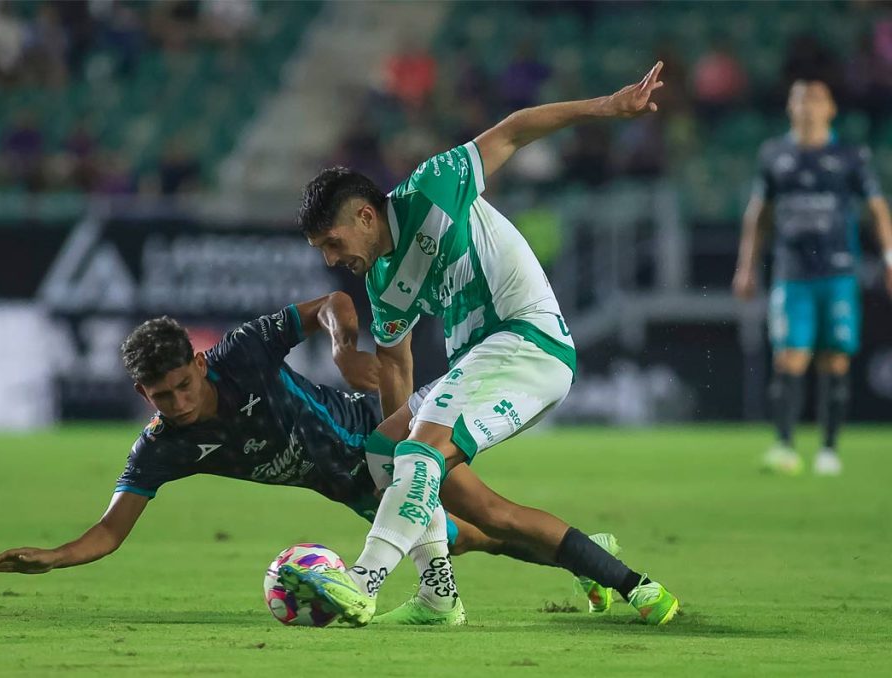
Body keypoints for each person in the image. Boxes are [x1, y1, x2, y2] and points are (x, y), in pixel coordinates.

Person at [284, 63, 679, 627]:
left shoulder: (433, 185)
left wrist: (608, 107)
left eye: (332, 241)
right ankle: (616, 582)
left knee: (418, 454)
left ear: (366, 216)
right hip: (483, 363)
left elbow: (514, 130)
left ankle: (362, 580)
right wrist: (403, 453)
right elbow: (396, 363)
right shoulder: (380, 281)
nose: (329, 259)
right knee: (397, 460)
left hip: (527, 341)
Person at [0, 294, 612, 626]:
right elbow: (111, 530)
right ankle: (590, 557)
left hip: (380, 436)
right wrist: (54, 557)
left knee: (487, 518)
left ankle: (595, 563)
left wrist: (342, 348)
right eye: (161, 395)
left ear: (198, 363)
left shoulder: (244, 352)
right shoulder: (162, 446)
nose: (178, 402)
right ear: (141, 395)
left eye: (183, 385)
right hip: (349, 487)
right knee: (479, 535)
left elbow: (332, 302)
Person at [733, 79, 892, 476]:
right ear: (790, 107)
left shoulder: (850, 155)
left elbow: (876, 208)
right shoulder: (774, 155)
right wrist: (746, 266)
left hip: (838, 272)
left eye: (815, 99)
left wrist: (890, 258)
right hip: (792, 274)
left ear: (831, 108)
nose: (807, 107)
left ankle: (829, 449)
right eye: (800, 99)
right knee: (789, 358)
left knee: (835, 361)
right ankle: (785, 445)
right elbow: (759, 215)